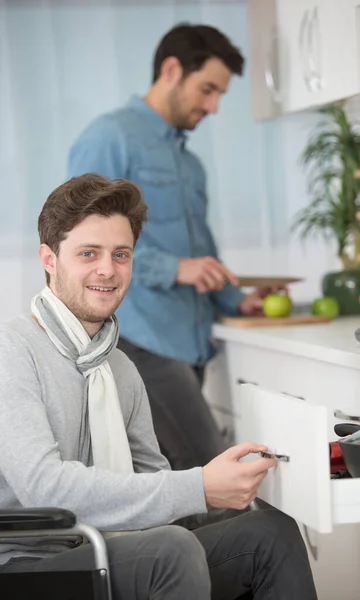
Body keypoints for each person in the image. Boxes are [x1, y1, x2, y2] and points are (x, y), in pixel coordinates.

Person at [0, 174, 317, 600]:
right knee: (171, 549)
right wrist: (200, 486)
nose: (107, 270)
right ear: (49, 259)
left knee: (269, 532)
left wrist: (226, 485)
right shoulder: (12, 351)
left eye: (121, 254)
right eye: (88, 253)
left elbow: (157, 484)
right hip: (29, 565)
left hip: (118, 549)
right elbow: (47, 489)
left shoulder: (120, 368)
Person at [67, 23, 277, 471]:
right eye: (207, 89)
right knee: (213, 473)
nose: (214, 106)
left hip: (190, 344)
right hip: (140, 341)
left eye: (219, 94)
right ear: (171, 69)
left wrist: (237, 302)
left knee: (179, 485)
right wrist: (172, 268)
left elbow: (202, 249)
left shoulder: (190, 164)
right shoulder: (110, 138)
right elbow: (83, 244)